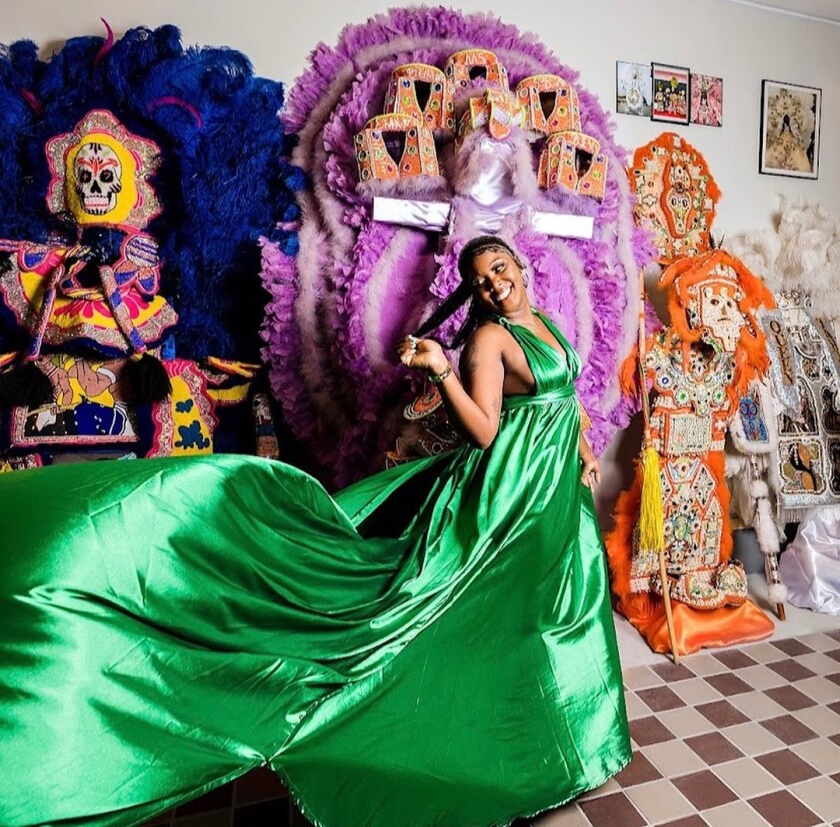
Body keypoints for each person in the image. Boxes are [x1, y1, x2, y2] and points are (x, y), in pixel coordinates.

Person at [0, 235, 630, 827]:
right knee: (475, 606)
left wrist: (584, 445)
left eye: (499, 269)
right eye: (480, 280)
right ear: (473, 295)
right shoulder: (488, 340)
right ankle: (494, 745)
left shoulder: (541, 321)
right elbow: (488, 433)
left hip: (556, 481)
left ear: (518, 267)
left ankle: (571, 734)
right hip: (514, 487)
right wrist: (442, 370)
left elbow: (565, 393)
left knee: (559, 600)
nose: (494, 285)